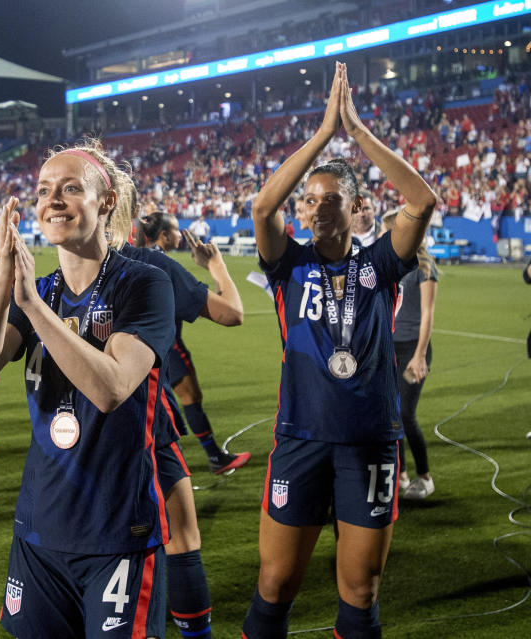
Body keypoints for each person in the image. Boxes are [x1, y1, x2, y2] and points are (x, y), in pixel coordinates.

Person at [242, 62, 436, 639]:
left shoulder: (379, 265)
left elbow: (421, 202)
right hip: (299, 440)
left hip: (370, 444)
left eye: (331, 200)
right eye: (309, 199)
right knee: (275, 585)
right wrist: (323, 135)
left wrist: (357, 134)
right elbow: (261, 208)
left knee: (361, 591)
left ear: (356, 209)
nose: (316, 207)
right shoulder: (289, 264)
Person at [0, 143, 175, 639]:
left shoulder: (144, 284)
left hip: (118, 531)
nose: (53, 200)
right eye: (43, 191)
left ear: (105, 202)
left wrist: (35, 308)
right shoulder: (38, 289)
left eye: (70, 188)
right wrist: (4, 279)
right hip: (40, 531)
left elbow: (112, 388)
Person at [115, 187, 242, 639]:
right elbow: (232, 313)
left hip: (79, 436)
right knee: (182, 536)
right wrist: (214, 264)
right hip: (148, 422)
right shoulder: (154, 265)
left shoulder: (54, 282)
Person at [136, 211, 250, 474]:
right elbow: (231, 313)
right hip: (167, 345)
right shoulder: (161, 264)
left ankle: (210, 456)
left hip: (145, 348)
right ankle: (213, 457)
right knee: (188, 397)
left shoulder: (132, 258)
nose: (180, 234)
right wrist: (215, 264)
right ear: (163, 236)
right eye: (176, 230)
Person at [380, 211, 439, 500]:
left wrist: (419, 356)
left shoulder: (424, 266)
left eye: (387, 231)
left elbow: (428, 314)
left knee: (405, 413)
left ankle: (424, 477)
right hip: (388, 348)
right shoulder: (391, 264)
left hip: (413, 348)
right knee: (390, 413)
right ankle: (400, 474)